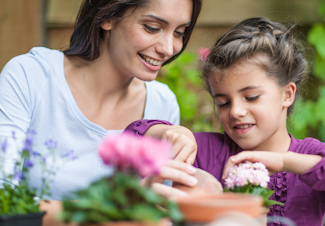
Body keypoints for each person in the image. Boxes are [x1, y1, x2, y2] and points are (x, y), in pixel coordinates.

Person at [0, 0, 202, 201]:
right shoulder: (30, 75)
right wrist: (113, 211)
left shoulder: (162, 104)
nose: (168, 48)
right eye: (152, 27)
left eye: (179, 32)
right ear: (107, 16)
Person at [125, 17, 325, 226]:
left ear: (287, 94)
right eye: (223, 103)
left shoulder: (309, 155)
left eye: (251, 97)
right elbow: (130, 140)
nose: (236, 111)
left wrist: (286, 162)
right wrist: (167, 133)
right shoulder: (206, 151)